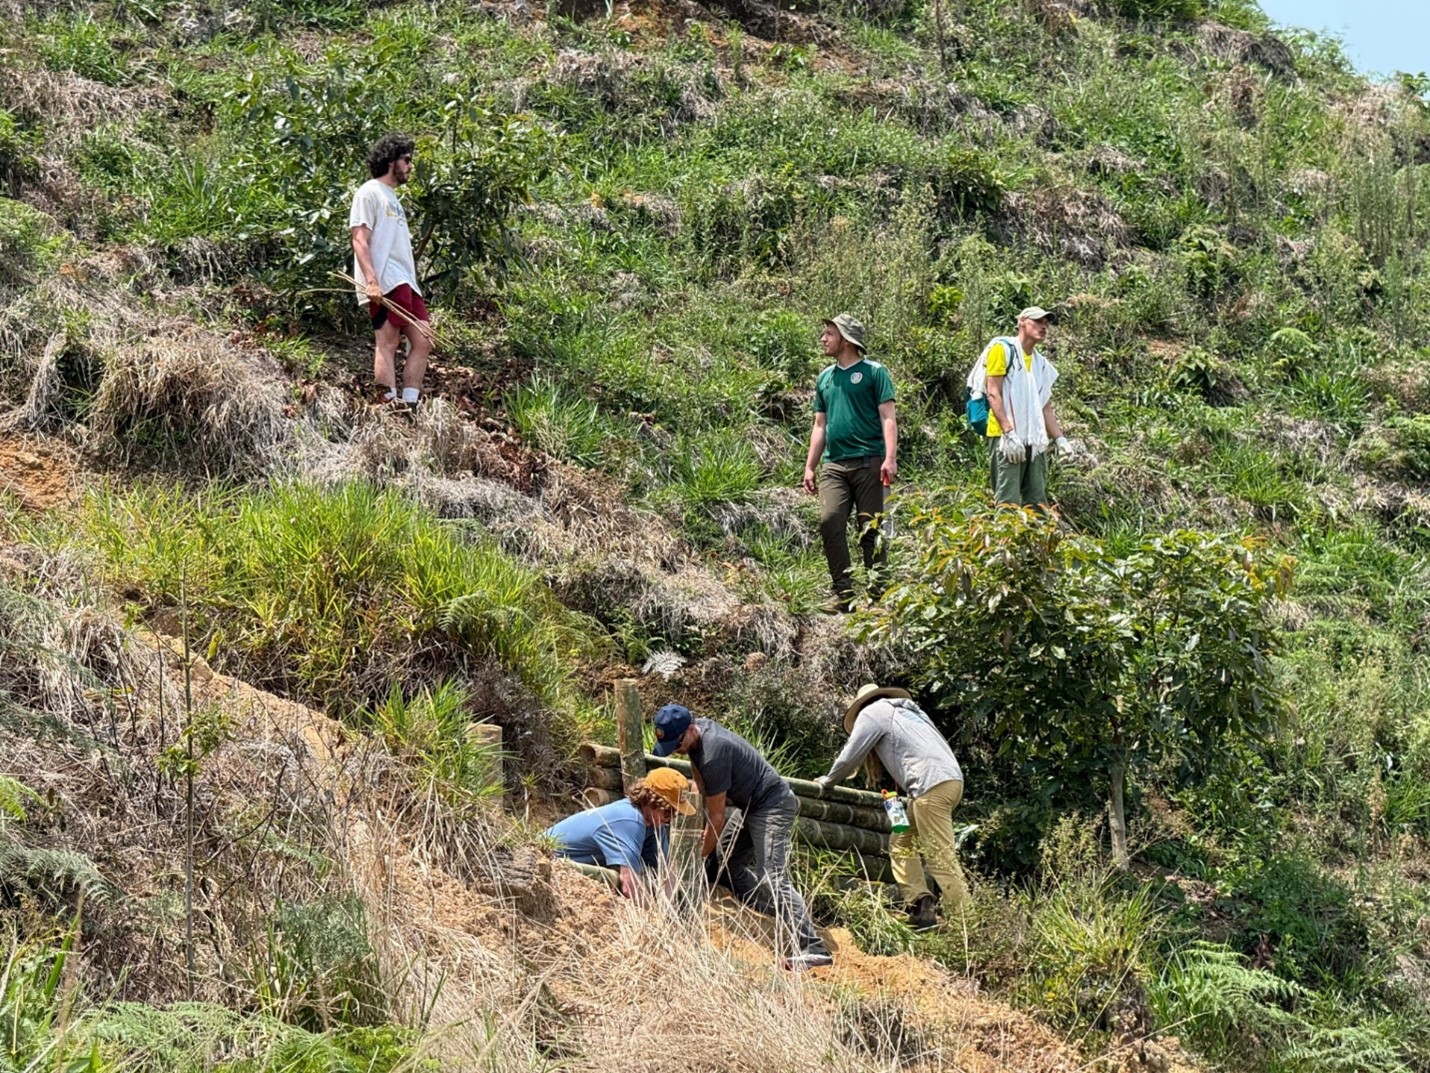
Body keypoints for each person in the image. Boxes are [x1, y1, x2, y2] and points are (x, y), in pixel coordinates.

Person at [653, 703, 833, 971]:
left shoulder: (715, 752)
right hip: (749, 806)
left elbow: (716, 818)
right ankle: (772, 912)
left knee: (772, 876)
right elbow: (699, 785)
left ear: (690, 730)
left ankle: (813, 948)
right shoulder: (696, 736)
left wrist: (692, 861)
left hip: (772, 804)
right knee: (724, 865)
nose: (676, 750)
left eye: (677, 744)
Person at [815, 684, 969, 931]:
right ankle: (921, 905)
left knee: (940, 859)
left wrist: (828, 780)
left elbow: (850, 755)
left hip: (930, 787)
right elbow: (897, 780)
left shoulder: (874, 712)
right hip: (949, 783)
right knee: (901, 841)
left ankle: (967, 925)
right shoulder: (910, 713)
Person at [801, 313, 897, 613]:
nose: (823, 339)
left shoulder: (874, 372)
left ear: (845, 339)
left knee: (871, 528)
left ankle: (877, 596)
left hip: (871, 462)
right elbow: (820, 424)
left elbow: (888, 417)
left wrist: (890, 458)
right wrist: (809, 465)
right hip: (834, 465)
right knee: (830, 521)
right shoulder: (825, 378)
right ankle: (844, 595)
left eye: (829, 333)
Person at [350, 132, 431, 410]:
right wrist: (371, 281)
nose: (410, 166)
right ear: (390, 161)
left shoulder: (393, 198)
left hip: (406, 280)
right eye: (406, 160)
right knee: (388, 341)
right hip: (386, 280)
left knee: (423, 339)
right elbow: (359, 238)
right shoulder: (369, 191)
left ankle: (409, 404)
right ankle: (388, 404)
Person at [544, 768, 695, 900]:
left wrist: (668, 913)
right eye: (668, 812)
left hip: (574, 867)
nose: (671, 819)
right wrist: (655, 919)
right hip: (550, 863)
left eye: (675, 814)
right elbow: (629, 885)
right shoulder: (630, 820)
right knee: (616, 879)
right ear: (652, 800)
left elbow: (667, 875)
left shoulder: (654, 824)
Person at [977, 306, 1075, 509]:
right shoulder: (1003, 350)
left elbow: (1045, 407)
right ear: (1022, 322)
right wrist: (1009, 432)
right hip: (1006, 437)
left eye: (1046, 323)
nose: (1043, 326)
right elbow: (994, 393)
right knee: (1008, 502)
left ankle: (1035, 540)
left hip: (1035, 438)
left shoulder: (1041, 364)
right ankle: (1004, 540)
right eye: (1038, 321)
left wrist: (1060, 439)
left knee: (1037, 501)